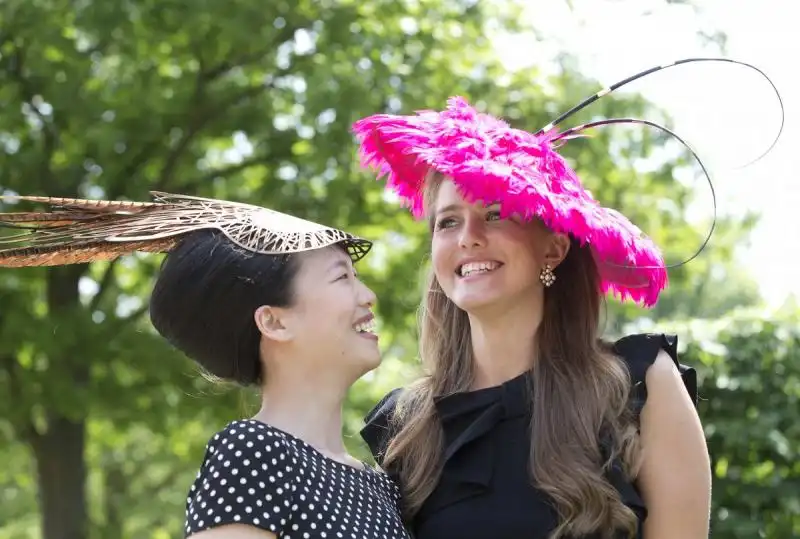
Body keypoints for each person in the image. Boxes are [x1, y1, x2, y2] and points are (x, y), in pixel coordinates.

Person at [346, 60, 761, 539]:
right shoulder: (407, 426)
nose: (469, 238)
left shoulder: (640, 388)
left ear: (554, 247)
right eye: (448, 221)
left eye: (496, 214)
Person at [0, 192, 410, 539]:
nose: (368, 294)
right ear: (275, 321)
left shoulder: (381, 485)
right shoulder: (254, 454)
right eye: (343, 278)